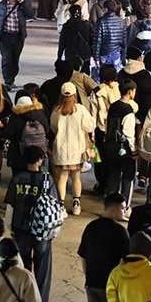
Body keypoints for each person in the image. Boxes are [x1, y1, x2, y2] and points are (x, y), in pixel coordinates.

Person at [79, 192, 131, 302]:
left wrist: (88, 278)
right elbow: (127, 261)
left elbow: (83, 256)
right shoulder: (120, 232)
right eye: (124, 208)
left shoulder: (91, 227)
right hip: (112, 287)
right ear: (114, 209)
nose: (125, 211)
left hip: (92, 284)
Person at [6, 146, 55, 302]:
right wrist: (53, 231)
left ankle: (22, 297)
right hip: (42, 230)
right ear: (40, 160)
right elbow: (55, 206)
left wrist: (10, 227)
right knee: (43, 268)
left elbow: (11, 205)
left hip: (21, 228)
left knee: (22, 266)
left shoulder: (18, 178)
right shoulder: (47, 181)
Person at [50, 82, 95, 215]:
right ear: (75, 94)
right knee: (76, 177)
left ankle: (61, 205)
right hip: (77, 150)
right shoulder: (80, 110)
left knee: (62, 178)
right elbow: (90, 126)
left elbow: (53, 128)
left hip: (61, 149)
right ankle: (76, 203)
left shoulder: (56, 111)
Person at [104, 78, 139, 208]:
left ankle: (110, 207)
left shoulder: (113, 106)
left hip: (111, 147)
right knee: (127, 179)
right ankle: (124, 208)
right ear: (130, 92)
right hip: (125, 149)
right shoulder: (128, 110)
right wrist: (134, 151)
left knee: (113, 177)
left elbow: (107, 125)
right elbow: (129, 133)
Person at [0, 0, 35, 88]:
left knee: (15, 59)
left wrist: (23, 3)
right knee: (6, 58)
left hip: (18, 37)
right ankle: (8, 81)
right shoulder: (1, 5)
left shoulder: (21, 5)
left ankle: (12, 77)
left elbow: (30, 14)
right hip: (5, 36)